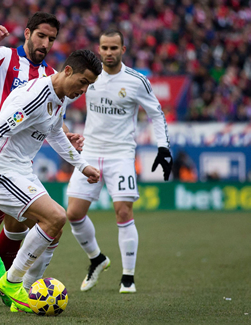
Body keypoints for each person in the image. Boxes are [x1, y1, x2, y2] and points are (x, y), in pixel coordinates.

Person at [0, 12, 84, 305]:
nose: (45, 43)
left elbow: (49, 121)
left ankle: (6, 282)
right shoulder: (3, 57)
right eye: (41, 35)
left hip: (21, 163)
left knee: (23, 227)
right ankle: (4, 272)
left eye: (51, 39)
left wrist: (68, 135)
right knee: (39, 220)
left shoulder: (51, 75)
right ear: (27, 33)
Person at [0, 49, 102, 313]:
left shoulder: (60, 97)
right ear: (67, 71)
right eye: (83, 82)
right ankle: (12, 282)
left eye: (89, 86)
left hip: (20, 169)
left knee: (53, 233)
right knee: (56, 217)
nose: (83, 90)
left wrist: (82, 165)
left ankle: (24, 293)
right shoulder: (35, 96)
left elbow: (55, 134)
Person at [66, 30, 173, 294]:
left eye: (114, 47)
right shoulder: (89, 77)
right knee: (73, 214)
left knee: (123, 212)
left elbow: (156, 114)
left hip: (121, 154)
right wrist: (65, 131)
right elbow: (61, 99)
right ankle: (97, 259)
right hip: (89, 152)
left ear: (123, 49)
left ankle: (128, 277)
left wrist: (163, 147)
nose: (109, 52)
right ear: (99, 49)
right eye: (105, 47)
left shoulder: (136, 81)